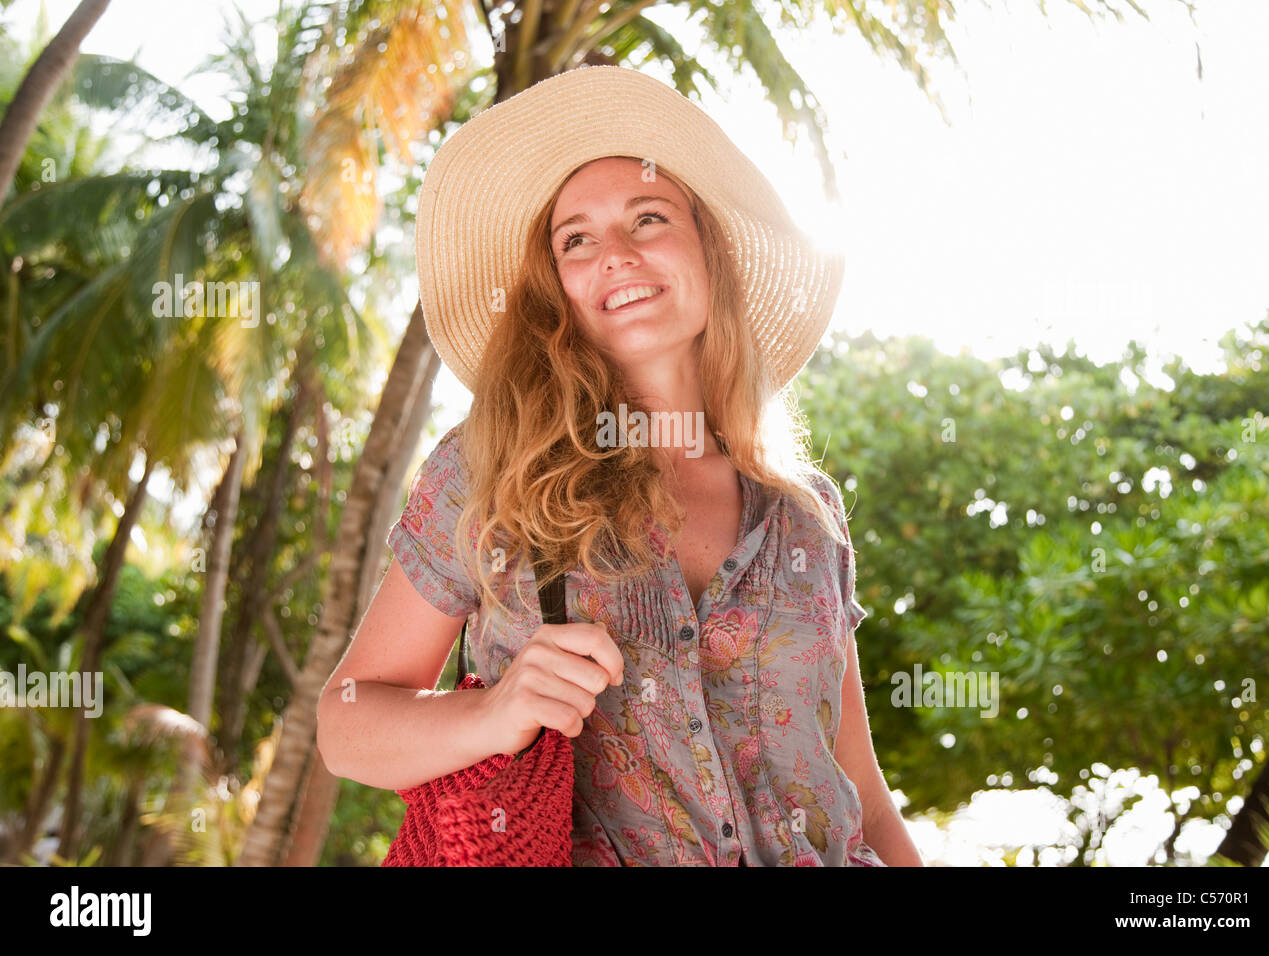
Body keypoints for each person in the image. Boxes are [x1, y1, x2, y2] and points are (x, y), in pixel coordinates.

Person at [317, 66, 924, 867]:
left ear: (710, 249)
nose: (615, 254)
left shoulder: (806, 514)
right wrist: (495, 712)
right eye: (576, 239)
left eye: (649, 217)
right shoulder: (492, 472)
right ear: (556, 290)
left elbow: (864, 799)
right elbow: (346, 723)